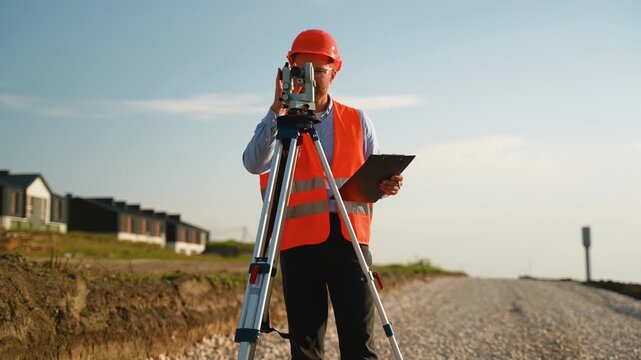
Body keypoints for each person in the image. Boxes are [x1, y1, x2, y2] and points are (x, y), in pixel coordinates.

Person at [242, 29, 403, 360]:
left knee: (360, 344)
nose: (312, 77)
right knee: (306, 347)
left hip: (349, 240)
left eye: (320, 69)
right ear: (291, 70)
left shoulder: (358, 120)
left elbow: (372, 177)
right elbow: (252, 163)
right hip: (299, 244)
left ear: (335, 71)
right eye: (304, 68)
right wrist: (277, 109)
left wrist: (387, 185)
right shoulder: (282, 122)